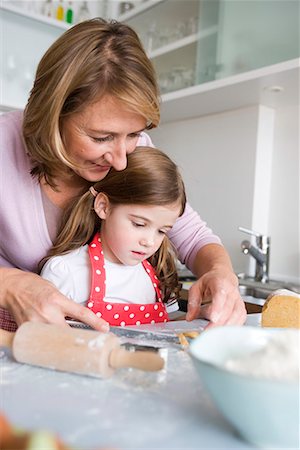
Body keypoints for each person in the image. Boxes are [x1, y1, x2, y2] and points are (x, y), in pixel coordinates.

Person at [0, 18, 246, 332]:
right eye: (101, 138)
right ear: (52, 115)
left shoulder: (132, 147)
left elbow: (193, 235)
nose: (120, 161)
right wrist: (9, 283)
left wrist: (221, 272)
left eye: (133, 135)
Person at [40, 147, 186, 326]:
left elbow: (166, 331)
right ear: (104, 207)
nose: (149, 242)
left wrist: (195, 318)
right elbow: (43, 339)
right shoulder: (65, 271)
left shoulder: (158, 271)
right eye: (139, 224)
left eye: (162, 231)